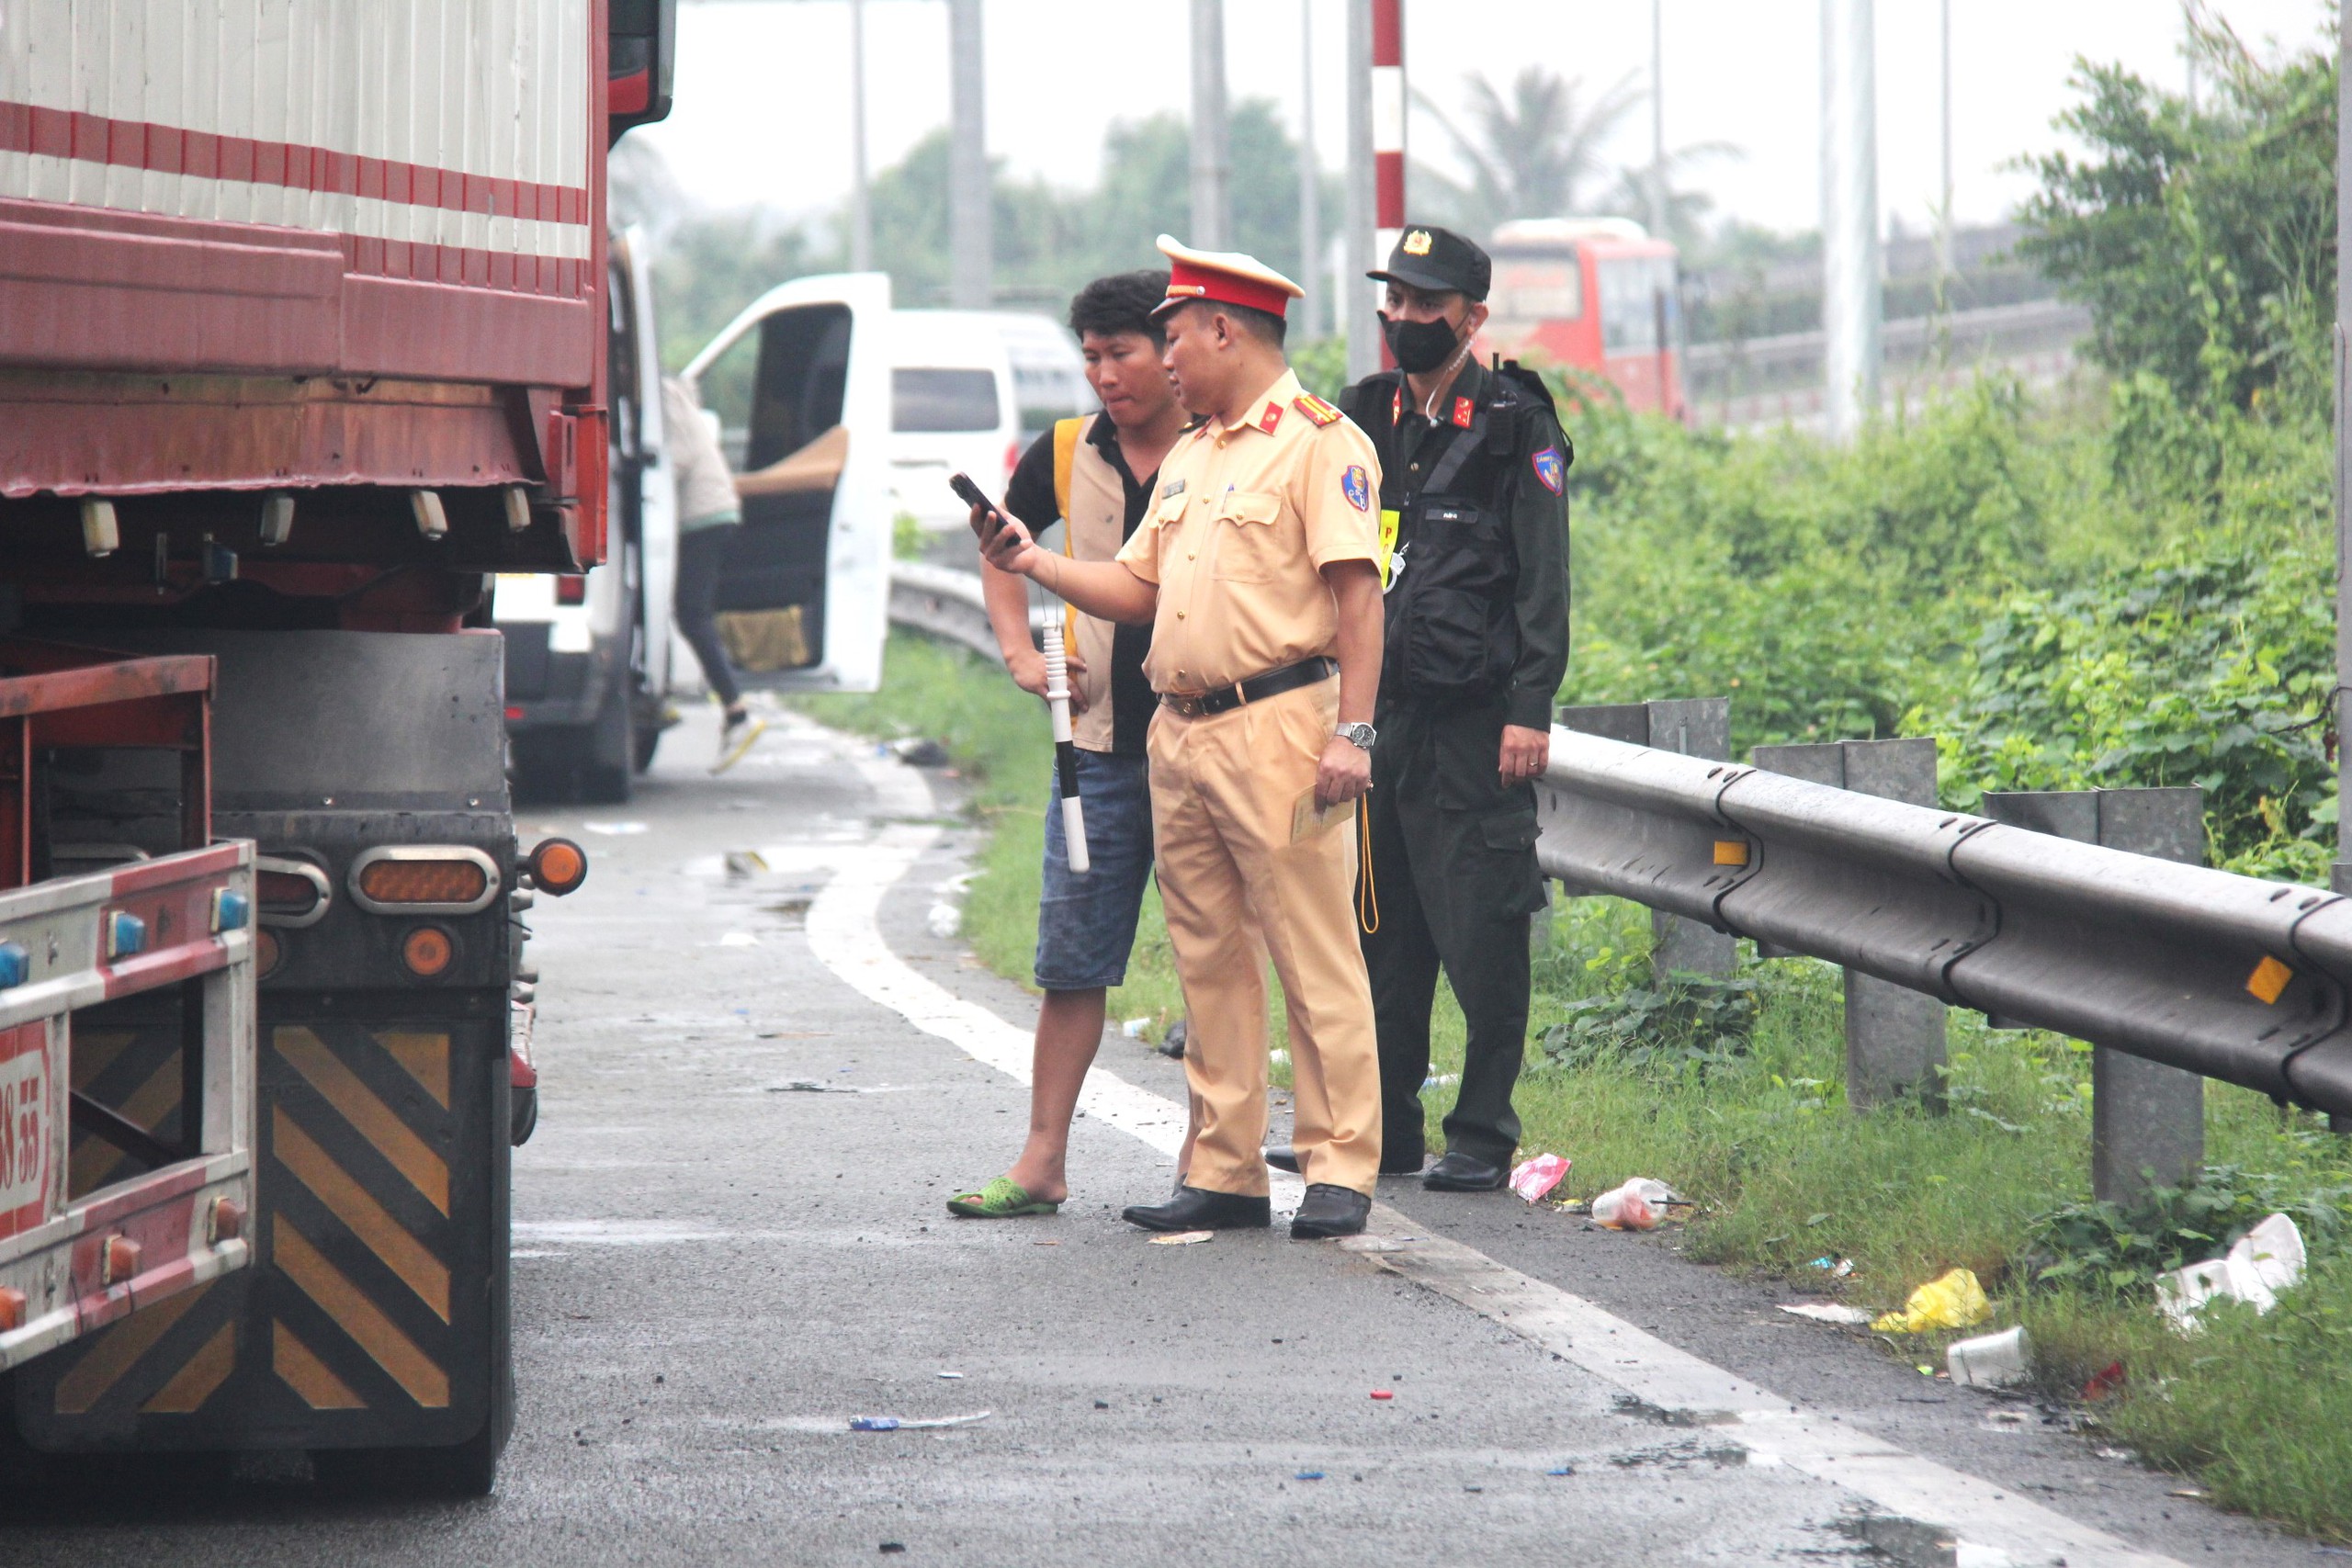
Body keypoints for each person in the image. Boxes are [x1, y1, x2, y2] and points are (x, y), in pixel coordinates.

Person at [979, 235, 1388, 1241]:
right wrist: (1034, 562)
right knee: (1207, 958)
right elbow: (1134, 587)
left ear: (1223, 329)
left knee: (1311, 950)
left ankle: (1339, 1165)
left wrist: (1355, 733)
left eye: (1172, 339)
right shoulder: (1197, 455)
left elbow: (1358, 598)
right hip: (1181, 731)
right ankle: (1225, 1169)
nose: (1160, 362)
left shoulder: (1318, 440)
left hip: (1280, 724)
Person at [1268, 225, 1570, 1192]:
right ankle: (1382, 1130)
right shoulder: (1358, 414)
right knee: (1376, 934)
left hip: (1476, 723)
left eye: (1424, 305)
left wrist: (1530, 707)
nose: (1403, 319)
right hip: (1375, 717)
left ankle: (1480, 1132)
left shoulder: (1517, 422)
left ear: (1471, 318)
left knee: (1482, 930)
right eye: (1391, 302)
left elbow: (1542, 582)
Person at [946, 271, 1204, 1218]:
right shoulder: (1063, 452)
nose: (1104, 375)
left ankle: (1205, 1167)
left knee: (1207, 965)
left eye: (1122, 353)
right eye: (1090, 357)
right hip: (1093, 750)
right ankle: (1040, 1162)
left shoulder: (1220, 446)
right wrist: (1020, 651)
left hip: (1206, 741)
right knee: (1070, 961)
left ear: (1170, 351)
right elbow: (1000, 543)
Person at [660, 375, 767, 773]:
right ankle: (657, 697)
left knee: (691, 612)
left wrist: (641, 488)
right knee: (681, 609)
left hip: (700, 516)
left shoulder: (663, 394)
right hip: (708, 512)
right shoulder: (672, 390)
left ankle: (737, 711)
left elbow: (677, 456)